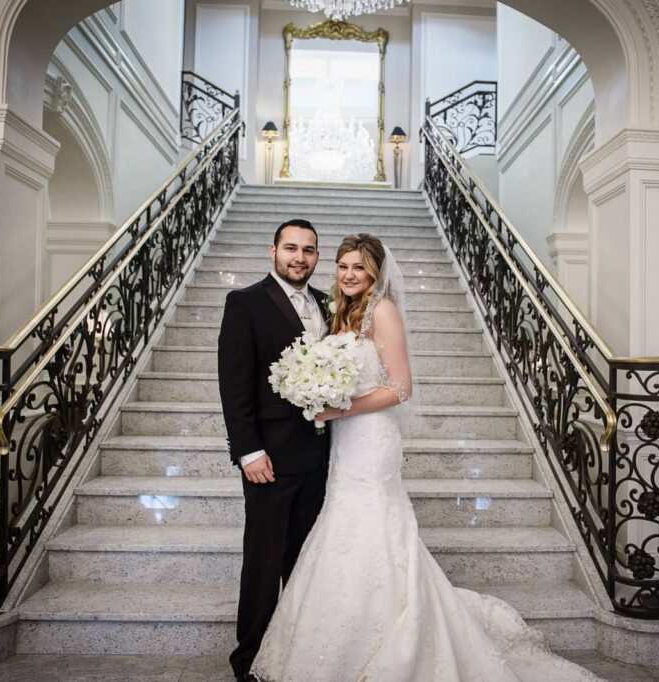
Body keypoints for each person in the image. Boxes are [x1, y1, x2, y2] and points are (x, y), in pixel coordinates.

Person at [250, 233, 599, 681]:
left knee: (374, 523)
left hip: (371, 437)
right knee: (340, 521)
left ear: (375, 272)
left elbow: (400, 387)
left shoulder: (383, 311)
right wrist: (319, 392)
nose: (349, 274)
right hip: (343, 440)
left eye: (359, 267)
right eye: (342, 266)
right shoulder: (339, 312)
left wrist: (342, 407)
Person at [217, 218, 331, 682]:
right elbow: (235, 384)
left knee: (305, 563)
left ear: (317, 257)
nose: (299, 257)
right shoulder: (244, 302)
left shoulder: (329, 303)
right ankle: (250, 660)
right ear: (273, 251)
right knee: (264, 563)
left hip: (322, 458)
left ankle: (297, 654)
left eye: (308, 250)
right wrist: (248, 452)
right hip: (270, 460)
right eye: (291, 248)